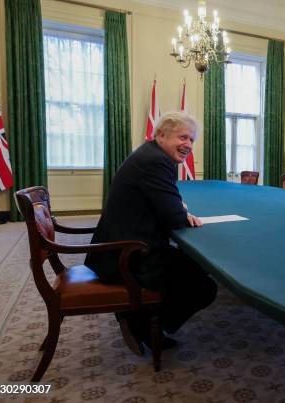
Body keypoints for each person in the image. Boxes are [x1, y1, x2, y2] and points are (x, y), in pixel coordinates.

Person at [85, 111, 217, 355]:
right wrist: (180, 210)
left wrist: (178, 208)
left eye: (191, 140)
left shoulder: (150, 154)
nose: (188, 145)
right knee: (204, 287)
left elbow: (168, 208)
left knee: (197, 265)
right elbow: (175, 218)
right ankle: (141, 322)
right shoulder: (155, 161)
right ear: (160, 136)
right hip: (127, 255)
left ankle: (143, 316)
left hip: (123, 243)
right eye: (183, 137)